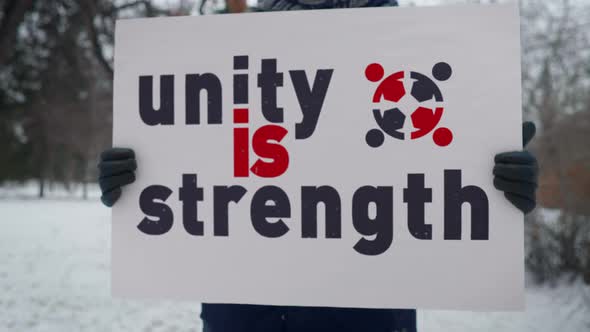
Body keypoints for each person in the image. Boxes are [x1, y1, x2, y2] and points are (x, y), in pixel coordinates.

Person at [97, 1, 539, 331]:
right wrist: (137, 176)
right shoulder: (223, 48)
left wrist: (499, 184)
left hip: (367, 316)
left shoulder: (418, 47)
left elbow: (448, 186)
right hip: (244, 314)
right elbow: (192, 167)